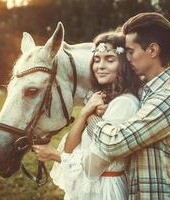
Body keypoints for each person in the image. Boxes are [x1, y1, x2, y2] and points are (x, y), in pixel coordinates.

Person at [84, 12, 170, 199]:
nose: (126, 58)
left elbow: (115, 143)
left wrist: (90, 117)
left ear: (152, 50)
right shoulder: (143, 89)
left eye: (130, 51)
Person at [33, 32, 141, 199]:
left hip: (106, 190)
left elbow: (93, 166)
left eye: (110, 59)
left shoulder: (125, 104)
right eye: (96, 60)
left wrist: (54, 155)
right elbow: (70, 148)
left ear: (124, 64)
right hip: (89, 188)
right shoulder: (100, 100)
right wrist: (84, 113)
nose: (100, 66)